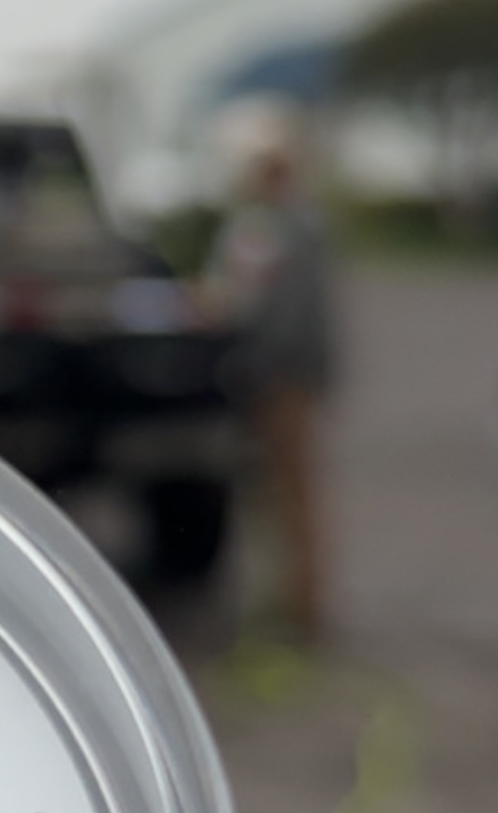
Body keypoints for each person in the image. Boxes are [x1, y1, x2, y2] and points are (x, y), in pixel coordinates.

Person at [204, 142, 336, 641]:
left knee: (279, 492)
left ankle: (292, 604)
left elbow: (239, 300)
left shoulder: (265, 229)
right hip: (301, 373)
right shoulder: (311, 225)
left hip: (274, 375)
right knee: (298, 491)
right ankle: (302, 600)